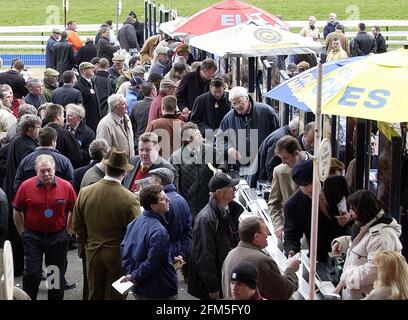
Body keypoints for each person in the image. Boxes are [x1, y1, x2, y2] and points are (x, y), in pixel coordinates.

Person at [73, 148, 140, 300]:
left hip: (93, 252)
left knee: (94, 294)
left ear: (106, 168)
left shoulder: (85, 192)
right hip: (119, 257)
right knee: (117, 296)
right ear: (124, 172)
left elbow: (76, 225)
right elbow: (136, 233)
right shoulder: (130, 199)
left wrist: (87, 243)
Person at [12, 154, 76, 300]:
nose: (46, 174)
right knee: (32, 273)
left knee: (54, 274)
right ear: (36, 171)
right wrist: (23, 233)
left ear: (54, 169)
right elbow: (17, 209)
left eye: (49, 170)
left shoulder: (66, 186)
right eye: (42, 171)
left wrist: (69, 231)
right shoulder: (26, 186)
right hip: (33, 237)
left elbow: (74, 209)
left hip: (57, 237)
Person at [332, 190, 403, 300]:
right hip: (359, 292)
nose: (350, 213)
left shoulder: (381, 237)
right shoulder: (369, 225)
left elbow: (375, 270)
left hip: (367, 295)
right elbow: (363, 243)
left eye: (352, 210)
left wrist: (348, 277)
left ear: (363, 210)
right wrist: (344, 242)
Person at [188, 172, 243, 300]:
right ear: (220, 193)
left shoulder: (227, 210)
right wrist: (213, 288)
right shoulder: (206, 219)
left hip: (224, 277)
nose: (235, 190)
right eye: (232, 187)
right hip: (213, 286)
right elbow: (204, 257)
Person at [120, 184, 178, 300]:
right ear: (153, 206)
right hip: (159, 289)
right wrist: (134, 275)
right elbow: (153, 262)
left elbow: (124, 250)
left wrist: (132, 273)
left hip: (140, 288)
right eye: (162, 199)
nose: (168, 199)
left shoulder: (134, 223)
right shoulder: (159, 231)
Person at [222, 217, 299, 300]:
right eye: (265, 231)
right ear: (257, 236)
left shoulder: (230, 255)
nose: (267, 235)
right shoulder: (261, 261)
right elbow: (283, 293)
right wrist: (290, 270)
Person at [147, 168, 192, 266]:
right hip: (177, 254)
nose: (149, 183)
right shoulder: (182, 200)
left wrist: (171, 255)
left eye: (151, 180)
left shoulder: (161, 204)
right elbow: (188, 231)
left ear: (158, 182)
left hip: (164, 257)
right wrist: (181, 254)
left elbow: (157, 238)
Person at [96, 94, 134, 158]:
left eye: (126, 103)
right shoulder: (105, 124)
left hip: (129, 163)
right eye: (123, 104)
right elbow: (103, 150)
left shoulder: (127, 118)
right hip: (115, 165)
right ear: (114, 107)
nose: (127, 106)